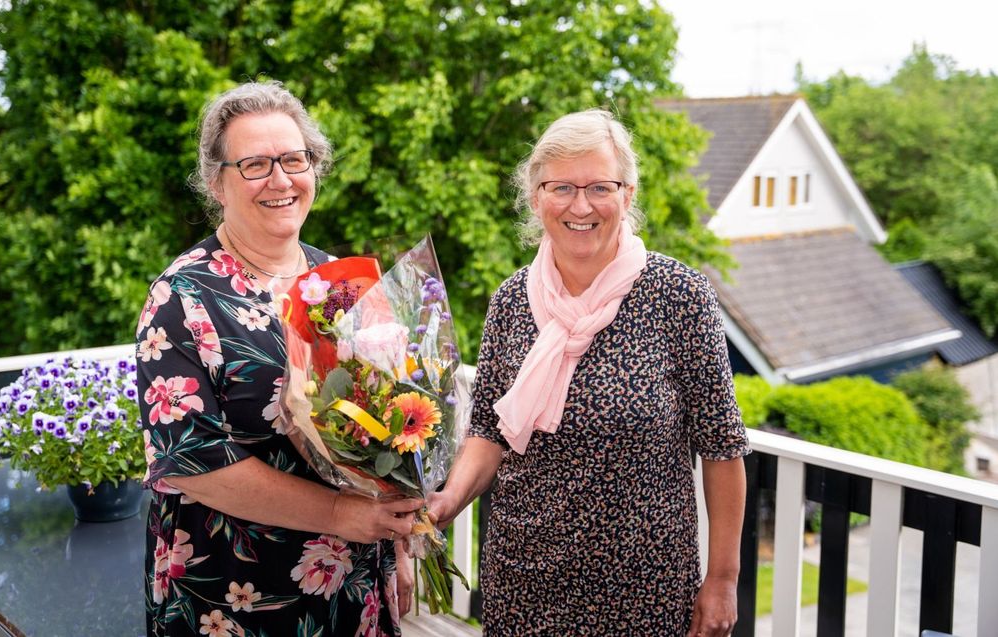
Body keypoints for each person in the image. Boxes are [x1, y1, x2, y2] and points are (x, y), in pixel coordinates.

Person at [428, 109, 750, 636]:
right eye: (561, 188)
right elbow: (488, 432)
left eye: (600, 186)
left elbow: (721, 447)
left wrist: (723, 579)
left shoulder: (679, 295)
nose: (581, 206)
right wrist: (447, 500)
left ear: (627, 194)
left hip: (645, 586)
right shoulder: (511, 301)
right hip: (523, 582)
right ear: (536, 198)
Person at [136, 80, 422, 637]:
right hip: (233, 593)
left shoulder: (342, 282)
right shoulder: (181, 299)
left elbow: (393, 430)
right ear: (217, 182)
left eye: (295, 159)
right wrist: (342, 515)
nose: (281, 179)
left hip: (352, 582)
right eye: (256, 164)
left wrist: (401, 542)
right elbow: (194, 465)